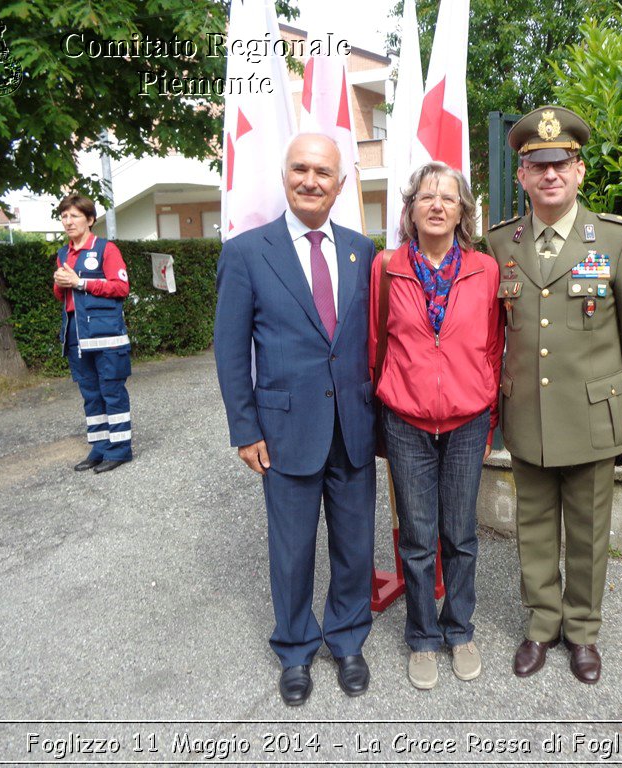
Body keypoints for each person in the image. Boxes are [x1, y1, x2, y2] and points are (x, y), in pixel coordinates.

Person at [486, 105, 622, 685]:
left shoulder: (615, 238)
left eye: (562, 163)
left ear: (580, 171)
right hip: (527, 412)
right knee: (532, 527)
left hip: (593, 414)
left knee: (587, 531)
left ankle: (582, 632)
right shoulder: (498, 244)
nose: (550, 174)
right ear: (523, 176)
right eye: (537, 165)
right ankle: (541, 625)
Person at [213, 133, 377, 707]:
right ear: (285, 176)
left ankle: (349, 640)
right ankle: (295, 648)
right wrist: (245, 429)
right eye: (300, 169)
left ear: (340, 184)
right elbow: (231, 351)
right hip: (283, 432)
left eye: (323, 172)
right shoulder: (246, 252)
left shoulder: (364, 250)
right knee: (292, 549)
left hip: (353, 427)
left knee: (356, 545)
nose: (311, 180)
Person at [369, 162, 504, 690]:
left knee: (461, 535)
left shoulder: (485, 269)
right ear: (411, 207)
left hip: (468, 421)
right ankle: (423, 636)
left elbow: (493, 345)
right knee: (420, 537)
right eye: (427, 195)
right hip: (406, 419)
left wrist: (487, 407)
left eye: (449, 197)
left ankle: (460, 629)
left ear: (462, 212)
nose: (438, 204)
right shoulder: (387, 267)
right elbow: (375, 344)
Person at [53, 194, 133, 474]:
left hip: (106, 336)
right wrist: (62, 283)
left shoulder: (106, 249)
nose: (68, 221)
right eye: (64, 216)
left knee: (111, 391)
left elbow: (121, 288)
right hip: (75, 334)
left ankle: (120, 449)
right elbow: (62, 294)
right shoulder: (63, 254)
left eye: (74, 216)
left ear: (89, 220)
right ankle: (99, 448)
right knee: (90, 394)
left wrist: (80, 282)